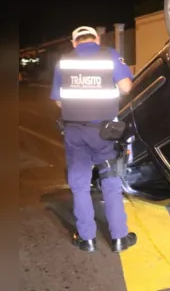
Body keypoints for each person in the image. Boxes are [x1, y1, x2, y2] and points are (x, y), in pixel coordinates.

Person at [50, 26, 138, 253]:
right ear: (97, 39)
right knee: (111, 183)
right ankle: (119, 237)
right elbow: (127, 87)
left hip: (74, 133)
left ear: (73, 42)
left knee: (79, 185)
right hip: (104, 133)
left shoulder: (64, 61)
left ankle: (86, 239)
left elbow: (58, 101)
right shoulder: (108, 55)